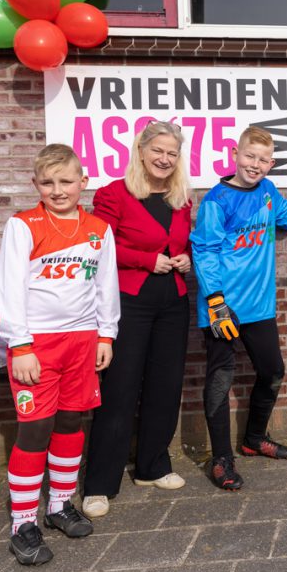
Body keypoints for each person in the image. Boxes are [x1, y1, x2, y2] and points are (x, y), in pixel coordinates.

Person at [190, 125, 287, 490]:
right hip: (222, 308)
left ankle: (254, 438)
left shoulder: (268, 190)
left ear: (271, 164)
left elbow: (286, 219)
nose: (255, 164)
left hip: (259, 307)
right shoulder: (216, 200)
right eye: (249, 156)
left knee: (272, 372)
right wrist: (215, 301)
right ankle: (222, 458)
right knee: (220, 381)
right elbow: (204, 252)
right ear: (236, 155)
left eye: (263, 160)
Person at [0, 144, 119, 565]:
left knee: (70, 420)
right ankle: (23, 523)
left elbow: (106, 286)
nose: (58, 189)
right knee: (35, 429)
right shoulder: (23, 225)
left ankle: (59, 505)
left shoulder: (99, 229)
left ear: (83, 182)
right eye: (47, 182)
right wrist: (20, 344)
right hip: (37, 346)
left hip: (82, 341)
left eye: (66, 181)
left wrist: (106, 336)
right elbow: (10, 289)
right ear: (36, 185)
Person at [81, 120, 193, 519]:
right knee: (120, 389)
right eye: (157, 150)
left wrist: (185, 260)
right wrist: (147, 259)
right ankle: (99, 484)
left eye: (172, 153)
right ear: (141, 150)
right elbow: (100, 247)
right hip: (130, 301)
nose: (164, 159)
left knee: (166, 385)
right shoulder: (115, 193)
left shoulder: (181, 197)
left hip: (173, 299)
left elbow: (183, 242)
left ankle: (153, 466)